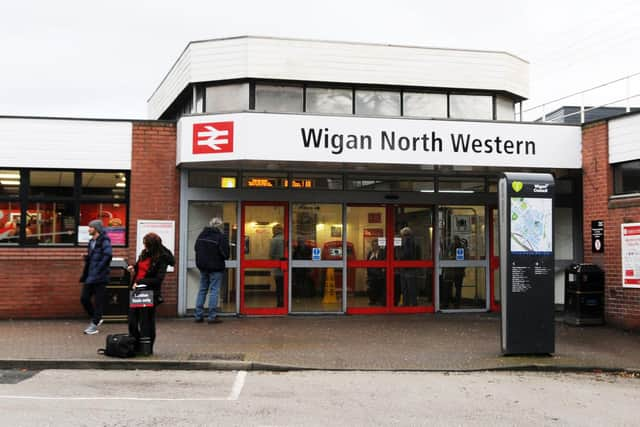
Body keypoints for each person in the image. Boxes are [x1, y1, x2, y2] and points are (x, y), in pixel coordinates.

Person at [127, 232, 174, 355]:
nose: (144, 247)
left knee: (146, 320)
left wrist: (141, 281)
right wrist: (133, 267)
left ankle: (147, 347)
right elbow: (139, 267)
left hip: (149, 292)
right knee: (132, 319)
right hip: (136, 291)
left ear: (152, 246)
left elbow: (158, 279)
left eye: (147, 245)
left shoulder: (161, 258)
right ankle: (135, 344)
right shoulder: (144, 254)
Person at [79, 219, 112, 334]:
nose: (89, 229)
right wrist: (87, 257)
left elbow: (108, 255)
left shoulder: (104, 240)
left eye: (91, 227)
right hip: (90, 275)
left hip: (100, 276)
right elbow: (94, 257)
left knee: (98, 302)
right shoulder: (91, 242)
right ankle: (96, 318)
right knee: (84, 298)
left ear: (96, 229)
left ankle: (93, 326)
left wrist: (99, 268)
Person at [194, 217, 230, 324]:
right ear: (220, 226)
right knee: (214, 291)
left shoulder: (201, 235)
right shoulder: (220, 237)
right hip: (216, 267)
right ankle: (212, 316)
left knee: (202, 289)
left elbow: (196, 249)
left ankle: (198, 315)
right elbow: (226, 254)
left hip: (203, 267)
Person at [443, 235, 467, 308]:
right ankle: (455, 304)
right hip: (456, 271)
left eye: (455, 240)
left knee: (451, 288)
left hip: (454, 271)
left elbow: (459, 259)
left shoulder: (456, 247)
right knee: (456, 288)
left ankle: (450, 303)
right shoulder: (457, 247)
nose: (455, 242)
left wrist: (451, 258)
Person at [398, 226, 419, 306]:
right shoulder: (414, 241)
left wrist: (399, 257)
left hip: (406, 268)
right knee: (411, 287)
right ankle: (412, 303)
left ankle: (407, 303)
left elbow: (406, 254)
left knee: (407, 288)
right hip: (411, 268)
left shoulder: (407, 241)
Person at [269, 223, 285, 307]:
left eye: (273, 230)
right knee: (285, 286)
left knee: (279, 286)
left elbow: (271, 254)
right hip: (286, 267)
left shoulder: (274, 240)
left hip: (278, 266)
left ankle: (280, 303)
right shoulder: (286, 239)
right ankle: (286, 303)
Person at [366, 239, 386, 305]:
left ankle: (379, 300)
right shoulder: (370, 253)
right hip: (371, 274)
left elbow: (383, 262)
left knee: (379, 287)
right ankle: (372, 300)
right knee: (371, 288)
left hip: (379, 274)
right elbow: (367, 263)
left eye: (376, 245)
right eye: (374, 245)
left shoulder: (382, 252)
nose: (375, 247)